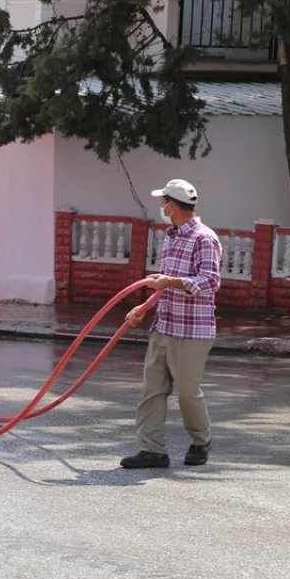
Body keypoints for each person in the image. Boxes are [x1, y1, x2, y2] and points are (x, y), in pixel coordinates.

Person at [120, 178, 222, 469]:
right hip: (164, 326)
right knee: (152, 390)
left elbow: (211, 281)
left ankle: (201, 441)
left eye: (163, 201)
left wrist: (171, 282)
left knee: (188, 392)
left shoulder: (204, 238)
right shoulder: (172, 236)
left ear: (173, 205)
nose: (161, 206)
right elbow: (165, 285)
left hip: (192, 331)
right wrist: (143, 307)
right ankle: (152, 450)